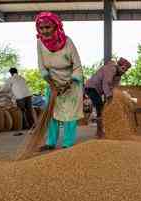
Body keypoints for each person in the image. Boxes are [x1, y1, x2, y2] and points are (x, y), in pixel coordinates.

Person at [36, 12, 84, 151]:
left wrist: (68, 84)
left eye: (48, 27)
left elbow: (77, 65)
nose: (44, 31)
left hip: (71, 83)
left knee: (69, 114)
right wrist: (53, 86)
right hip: (53, 82)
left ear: (56, 27)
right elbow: (42, 67)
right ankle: (50, 142)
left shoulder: (67, 42)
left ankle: (67, 143)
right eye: (41, 28)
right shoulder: (40, 43)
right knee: (52, 113)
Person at [84, 58, 131, 138]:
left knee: (106, 107)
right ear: (118, 66)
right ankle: (99, 132)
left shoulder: (118, 76)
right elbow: (106, 84)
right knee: (100, 106)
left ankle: (106, 130)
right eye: (123, 68)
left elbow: (114, 88)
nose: (124, 71)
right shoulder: (111, 69)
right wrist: (109, 96)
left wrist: (114, 98)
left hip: (99, 90)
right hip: (91, 87)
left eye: (125, 70)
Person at [0, 67, 34, 134]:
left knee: (21, 112)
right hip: (28, 95)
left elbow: (5, 88)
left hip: (20, 97)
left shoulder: (11, 79)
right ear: (17, 72)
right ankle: (32, 127)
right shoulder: (22, 78)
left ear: (11, 73)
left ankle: (22, 128)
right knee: (29, 111)